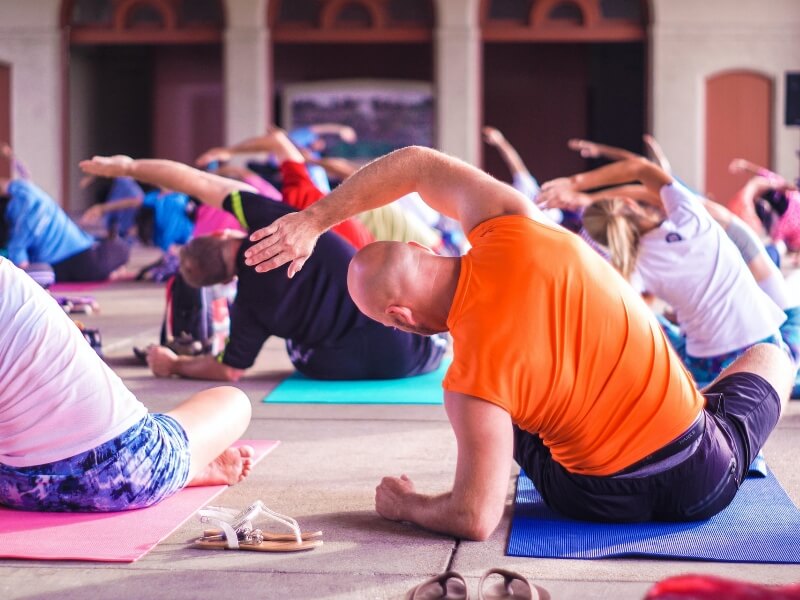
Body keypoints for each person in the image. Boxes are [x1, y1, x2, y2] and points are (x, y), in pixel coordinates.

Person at [240, 145, 794, 539]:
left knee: (505, 407)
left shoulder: (468, 385)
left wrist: (407, 505)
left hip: (592, 500)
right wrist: (313, 220)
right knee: (771, 355)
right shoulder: (514, 224)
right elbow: (417, 164)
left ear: (399, 316)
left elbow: (474, 518)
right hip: (702, 476)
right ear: (425, 250)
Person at [79, 154, 446, 383]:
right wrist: (128, 167)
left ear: (224, 280)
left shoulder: (247, 308)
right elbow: (199, 181)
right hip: (412, 349)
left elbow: (228, 370)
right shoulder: (268, 222)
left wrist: (175, 364)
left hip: (341, 368)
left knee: (298, 350)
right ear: (222, 233)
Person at [0, 256, 254, 512]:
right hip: (123, 477)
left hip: (16, 487)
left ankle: (185, 464)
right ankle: (185, 465)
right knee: (234, 400)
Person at [545, 141, 800, 387]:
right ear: (629, 204)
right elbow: (641, 169)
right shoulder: (691, 217)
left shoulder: (634, 266)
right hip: (766, 351)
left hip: (708, 368)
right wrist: (577, 186)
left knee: (649, 322)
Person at [195, 128, 374, 250]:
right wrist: (229, 152)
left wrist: (229, 152)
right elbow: (278, 141)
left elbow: (278, 141)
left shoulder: (301, 199)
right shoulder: (302, 196)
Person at [0, 174, 129, 282]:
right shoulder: (27, 191)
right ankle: (110, 270)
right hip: (77, 259)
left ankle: (109, 270)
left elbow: (22, 271)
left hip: (71, 258)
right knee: (122, 248)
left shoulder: (18, 236)